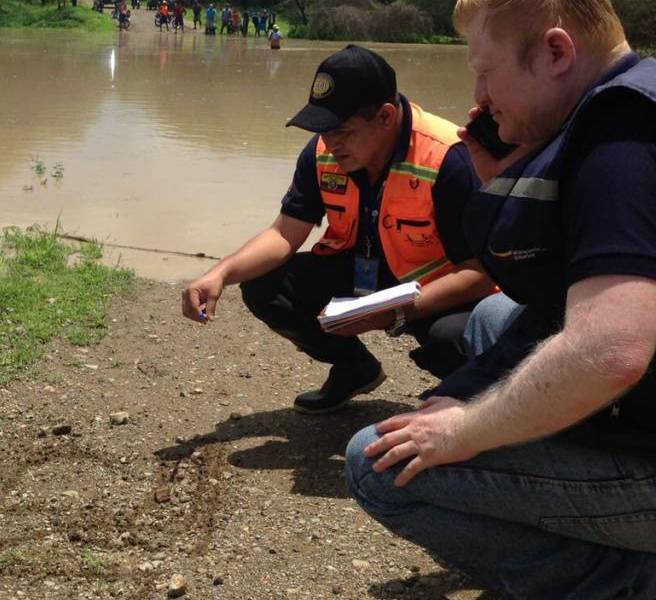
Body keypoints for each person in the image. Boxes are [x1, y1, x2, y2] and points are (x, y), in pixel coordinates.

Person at [346, 1, 656, 597]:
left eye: (486, 72)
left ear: (556, 53)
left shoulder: (622, 133)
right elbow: (549, 297)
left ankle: (625, 580)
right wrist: (505, 186)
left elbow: (611, 351)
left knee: (376, 463)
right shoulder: (618, 103)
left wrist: (462, 430)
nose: (479, 97)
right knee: (491, 318)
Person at [181, 45, 494, 415]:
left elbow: (481, 273)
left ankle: (476, 405)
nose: (330, 144)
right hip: (363, 271)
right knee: (265, 284)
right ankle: (354, 368)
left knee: (456, 338)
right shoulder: (323, 152)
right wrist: (220, 273)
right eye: (324, 131)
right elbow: (284, 233)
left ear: (385, 116)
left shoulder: (449, 158)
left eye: (342, 131)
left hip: (437, 289)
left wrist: (395, 312)